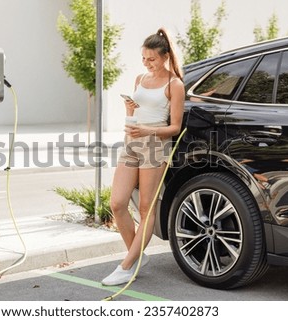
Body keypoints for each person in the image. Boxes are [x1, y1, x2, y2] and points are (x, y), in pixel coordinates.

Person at [101, 28, 185, 286]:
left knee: (147, 209)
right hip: (132, 144)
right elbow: (137, 116)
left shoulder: (175, 85)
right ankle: (137, 256)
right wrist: (129, 112)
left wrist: (148, 130)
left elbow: (175, 127)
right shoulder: (140, 79)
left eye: (152, 59)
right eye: (144, 59)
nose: (147, 63)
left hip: (155, 147)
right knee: (117, 203)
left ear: (165, 56)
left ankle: (127, 265)